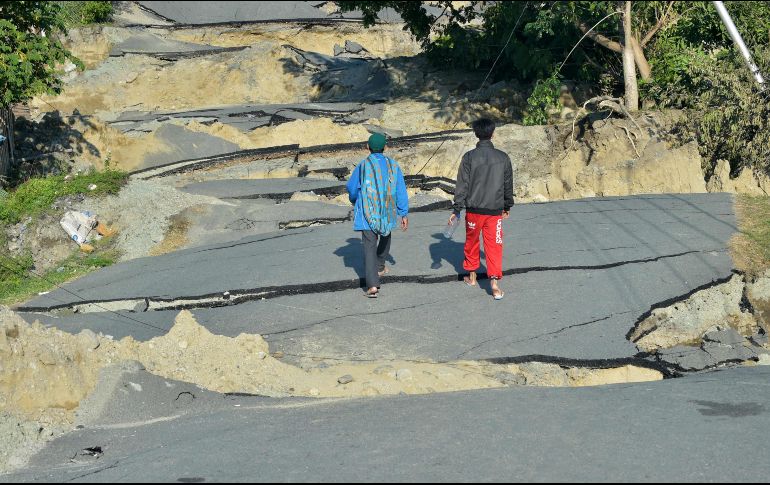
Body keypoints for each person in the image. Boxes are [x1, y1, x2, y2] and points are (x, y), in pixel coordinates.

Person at [448, 118, 513, 300]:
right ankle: (494, 284)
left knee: (471, 242)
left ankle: (472, 277)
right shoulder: (503, 157)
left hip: (474, 211)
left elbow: (462, 185)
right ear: (492, 133)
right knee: (494, 245)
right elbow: (508, 185)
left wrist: (456, 209)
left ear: (476, 134)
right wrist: (507, 205)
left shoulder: (469, 157)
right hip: (494, 211)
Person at [347, 133, 409, 298]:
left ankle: (373, 285)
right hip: (387, 210)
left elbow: (352, 187)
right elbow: (401, 190)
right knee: (386, 235)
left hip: (367, 211)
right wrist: (403, 213)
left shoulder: (362, 165)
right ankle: (380, 265)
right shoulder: (393, 166)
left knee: (369, 246)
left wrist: (354, 199)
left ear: (367, 147)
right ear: (385, 148)